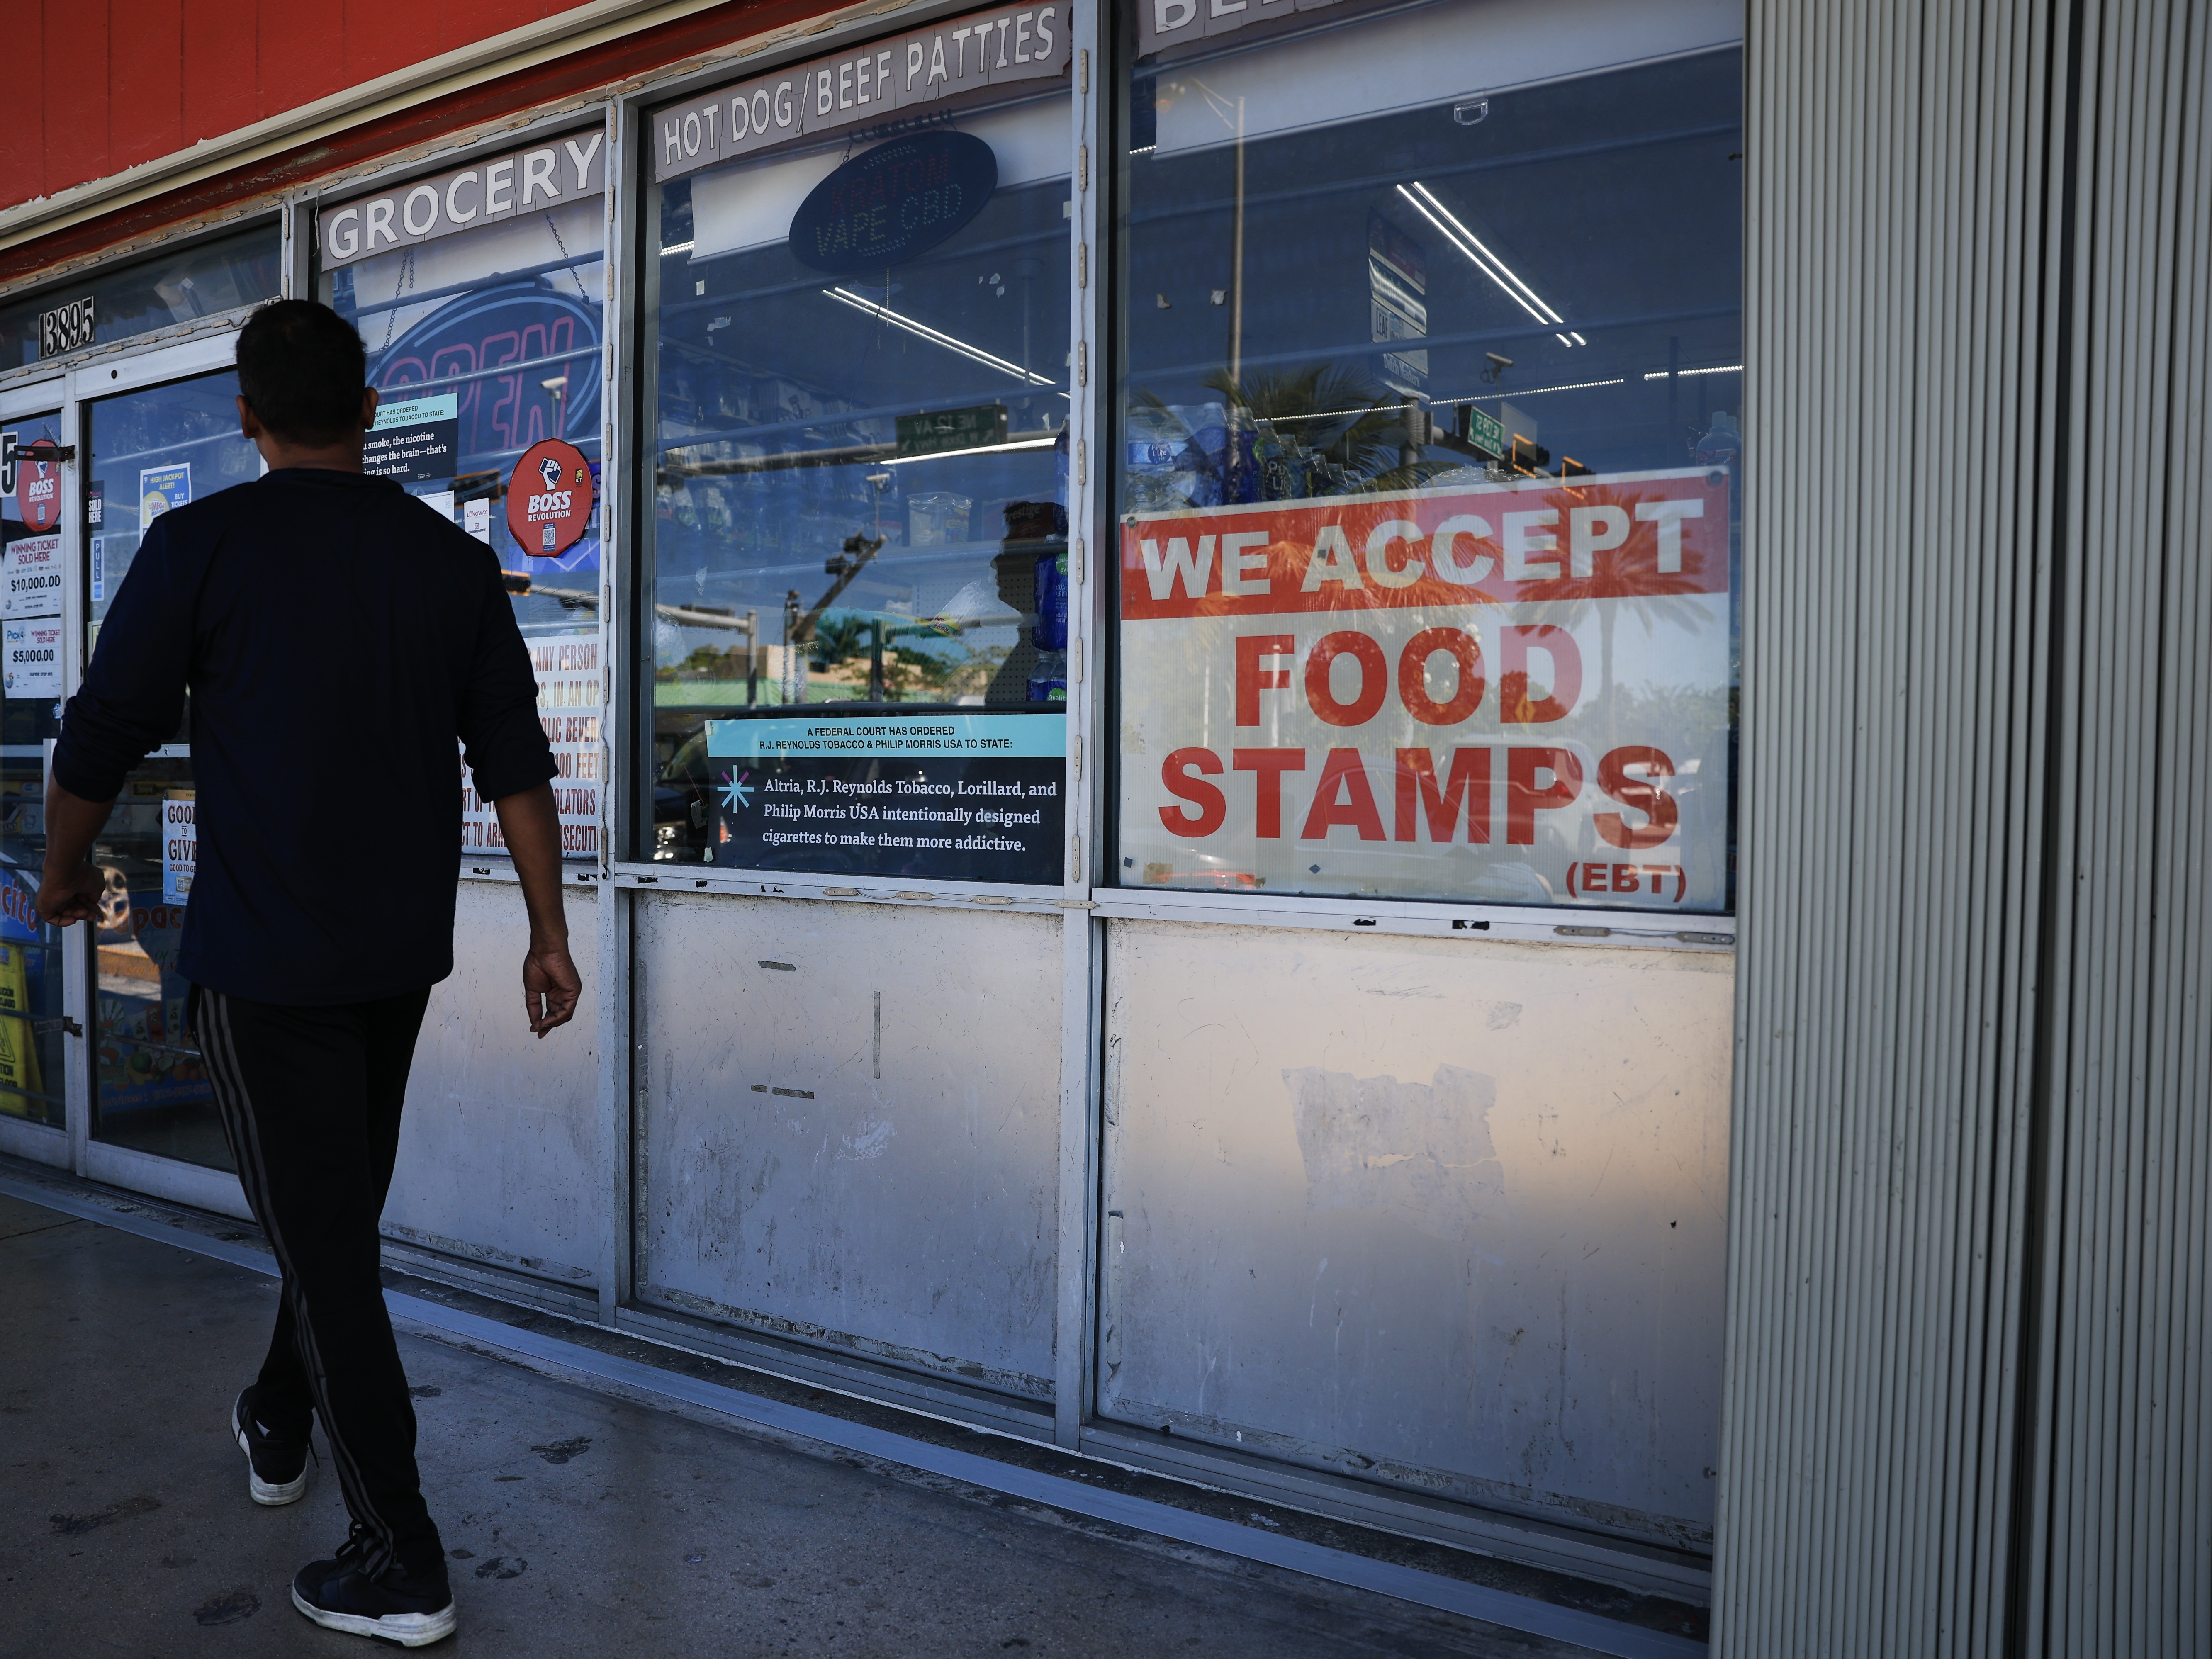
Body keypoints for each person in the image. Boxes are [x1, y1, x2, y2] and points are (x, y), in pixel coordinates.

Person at [35, 298, 581, 1649]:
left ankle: (402, 1554)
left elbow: (102, 732)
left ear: (247, 418)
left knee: (327, 1246)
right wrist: (548, 930)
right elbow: (513, 757)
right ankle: (280, 1415)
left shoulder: (200, 545)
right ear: (369, 413)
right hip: (393, 965)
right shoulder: (450, 564)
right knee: (326, 1221)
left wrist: (59, 871)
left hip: (264, 975)